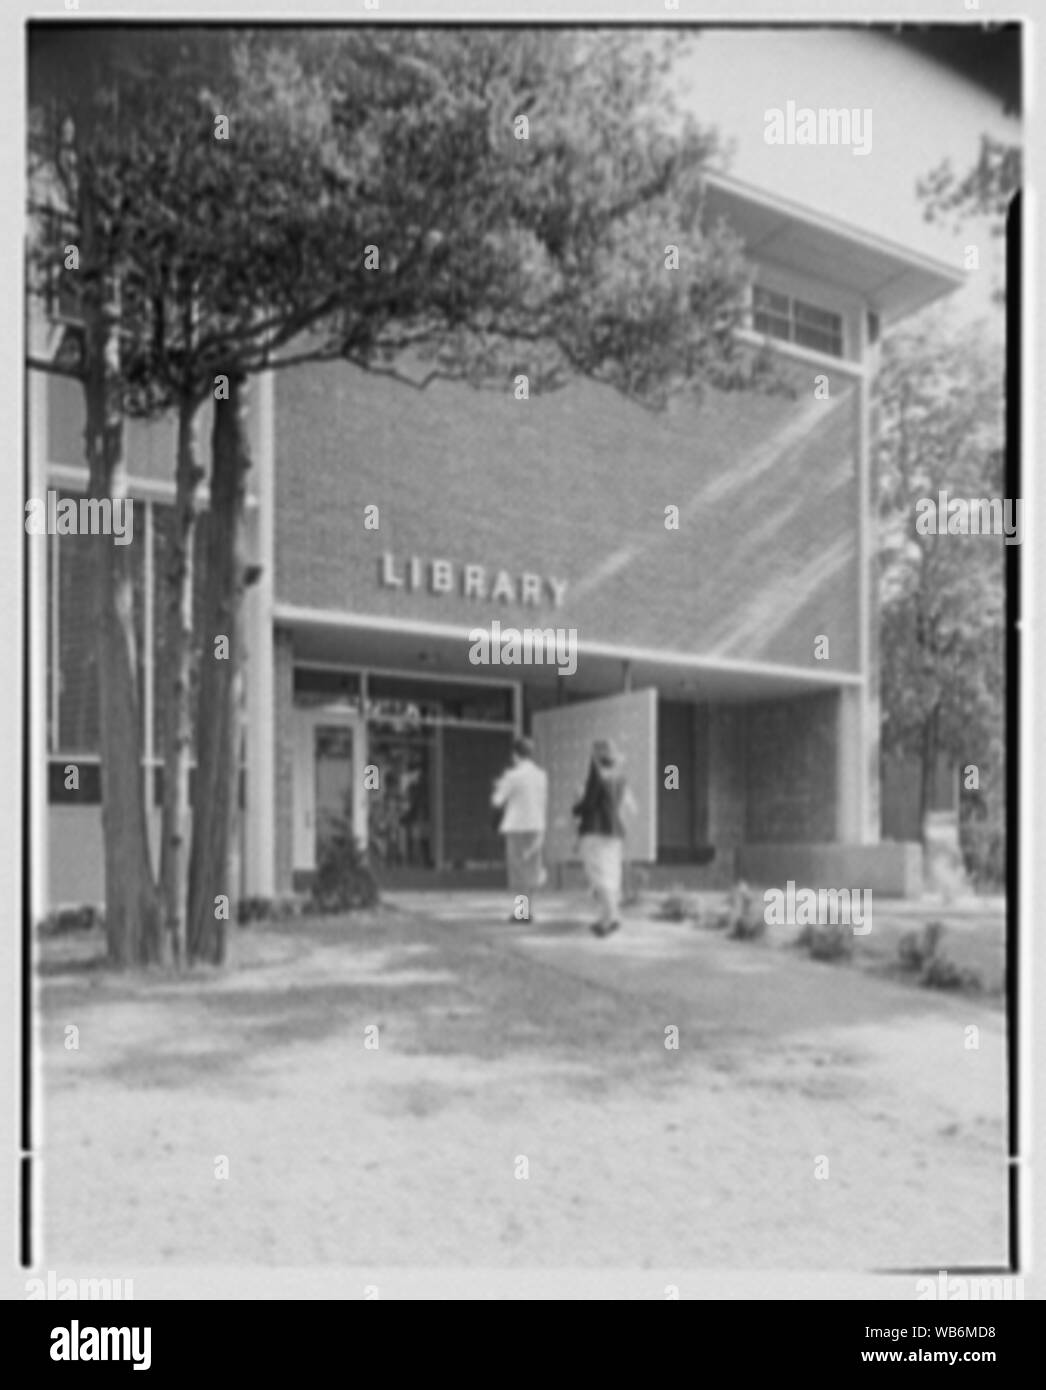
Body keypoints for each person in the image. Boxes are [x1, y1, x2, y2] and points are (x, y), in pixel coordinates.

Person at [572, 738, 635, 937]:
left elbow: (589, 803)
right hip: (614, 832)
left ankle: (522, 913)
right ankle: (611, 917)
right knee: (611, 874)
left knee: (599, 876)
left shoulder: (596, 775)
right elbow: (625, 806)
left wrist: (576, 807)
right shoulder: (620, 777)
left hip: (595, 830)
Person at [491, 736, 548, 923]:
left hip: (516, 826)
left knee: (518, 871)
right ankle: (528, 910)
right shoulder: (541, 775)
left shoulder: (512, 776)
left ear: (515, 755)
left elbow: (497, 801)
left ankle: (521, 913)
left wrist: (498, 786)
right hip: (536, 825)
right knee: (531, 870)